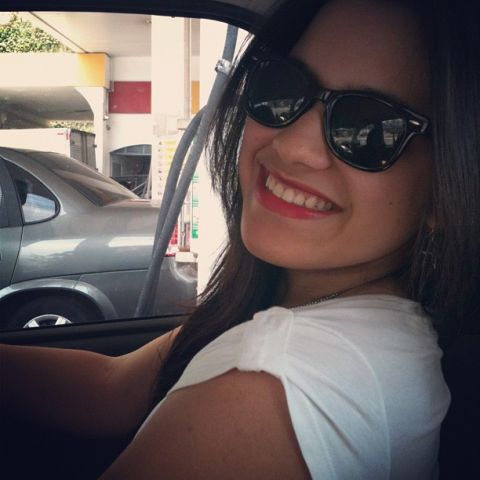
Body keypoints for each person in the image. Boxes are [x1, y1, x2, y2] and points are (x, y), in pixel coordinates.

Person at [2, 0, 479, 477]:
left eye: (369, 126)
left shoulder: (270, 382)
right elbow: (112, 387)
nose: (292, 145)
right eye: (282, 87)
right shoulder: (333, 317)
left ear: (448, 185)